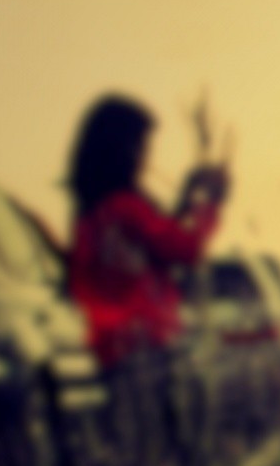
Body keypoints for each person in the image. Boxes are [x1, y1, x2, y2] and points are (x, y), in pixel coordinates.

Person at [65, 94, 230, 368]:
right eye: (142, 146)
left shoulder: (94, 211)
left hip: (108, 345)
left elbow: (152, 244)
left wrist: (186, 197)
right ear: (124, 149)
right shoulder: (126, 207)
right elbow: (186, 249)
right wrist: (212, 204)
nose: (146, 156)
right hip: (142, 344)